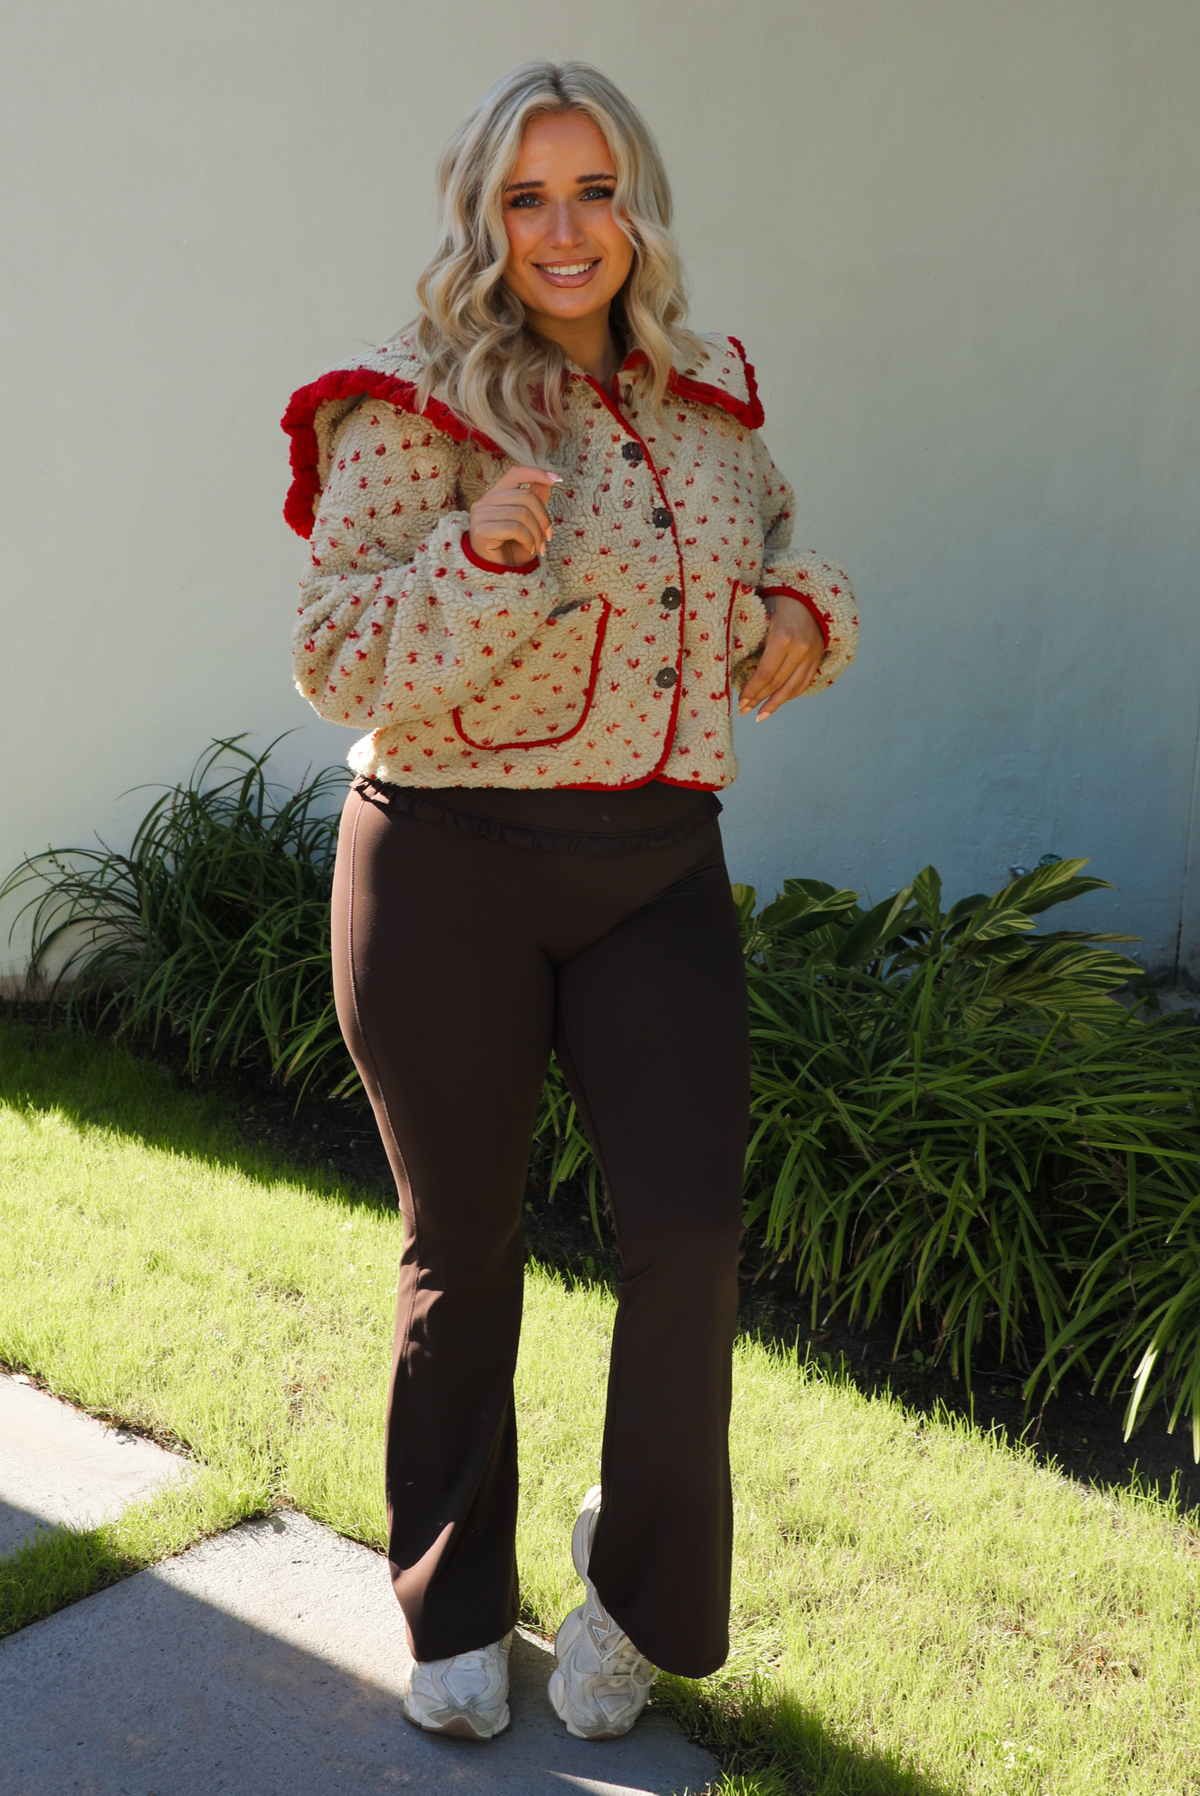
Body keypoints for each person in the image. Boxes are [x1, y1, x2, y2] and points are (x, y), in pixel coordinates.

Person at [281, 59, 856, 1744]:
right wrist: (481, 567)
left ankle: (639, 1590)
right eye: (527, 197)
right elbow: (333, 655)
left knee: (688, 1242)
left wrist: (794, 623)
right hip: (445, 868)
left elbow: (773, 572)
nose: (563, 229)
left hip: (658, 868)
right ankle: (452, 1603)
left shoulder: (708, 399)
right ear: (483, 216)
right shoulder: (410, 403)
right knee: (465, 1249)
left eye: (592, 189)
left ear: (637, 207)